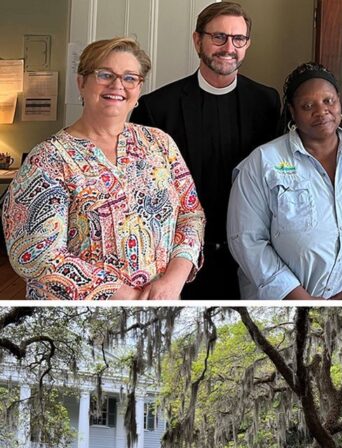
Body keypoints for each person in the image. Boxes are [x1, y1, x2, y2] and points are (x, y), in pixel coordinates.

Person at [1, 37, 204, 300]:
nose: (118, 85)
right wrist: (126, 297)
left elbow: (191, 214)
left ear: (139, 89)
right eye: (105, 74)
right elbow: (36, 255)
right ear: (81, 82)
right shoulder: (48, 159)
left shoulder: (160, 143)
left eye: (130, 78)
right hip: (81, 315)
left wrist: (173, 281)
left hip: (161, 305)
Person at [131, 1, 280, 299]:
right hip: (178, 261)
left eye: (238, 39)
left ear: (247, 44)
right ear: (197, 40)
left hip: (250, 254)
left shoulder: (267, 102)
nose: (229, 48)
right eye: (219, 37)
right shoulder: (157, 108)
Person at [227, 63, 342, 299]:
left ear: (339, 104)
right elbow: (246, 240)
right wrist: (300, 299)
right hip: (283, 310)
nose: (321, 111)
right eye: (308, 106)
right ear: (292, 112)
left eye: (329, 101)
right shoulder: (262, 162)